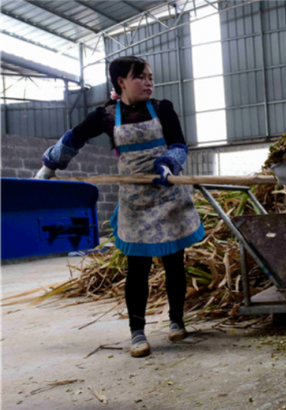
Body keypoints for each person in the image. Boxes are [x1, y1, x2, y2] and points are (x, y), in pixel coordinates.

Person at [34, 56, 205, 357]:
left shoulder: (163, 108)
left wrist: (168, 164)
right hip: (135, 202)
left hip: (168, 195)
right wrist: (49, 166)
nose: (149, 81)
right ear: (120, 82)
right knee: (137, 268)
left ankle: (177, 322)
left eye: (150, 76)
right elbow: (74, 139)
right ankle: (137, 333)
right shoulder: (105, 116)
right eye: (140, 76)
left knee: (175, 263)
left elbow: (179, 145)